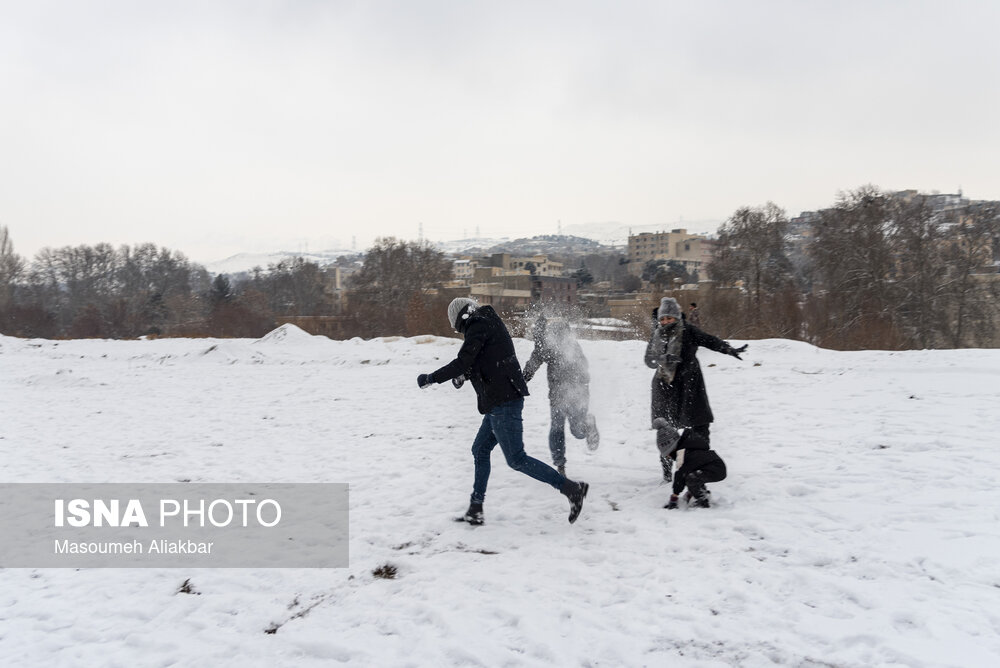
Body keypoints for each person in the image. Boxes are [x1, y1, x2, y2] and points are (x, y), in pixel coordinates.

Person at [416, 298, 589, 525]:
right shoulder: (486, 322)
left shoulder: (478, 325)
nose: (458, 331)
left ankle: (571, 489)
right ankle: (476, 508)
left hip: (503, 401)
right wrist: (465, 375)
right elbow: (484, 359)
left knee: (516, 459)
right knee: (480, 449)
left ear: (460, 318)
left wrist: (431, 378)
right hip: (499, 400)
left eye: (456, 326)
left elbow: (464, 360)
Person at [645, 297, 746, 482]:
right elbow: (648, 360)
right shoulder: (657, 335)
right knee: (666, 431)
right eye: (663, 319)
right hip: (664, 386)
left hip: (690, 385)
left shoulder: (688, 331)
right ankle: (667, 474)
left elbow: (708, 340)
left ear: (676, 317)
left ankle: (701, 466)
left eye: (669, 318)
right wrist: (663, 359)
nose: (665, 322)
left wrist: (728, 349)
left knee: (700, 424)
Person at [522, 315, 599, 477]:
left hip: (577, 394)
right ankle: (560, 465)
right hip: (558, 396)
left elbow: (584, 369)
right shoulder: (546, 346)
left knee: (577, 431)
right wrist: (522, 380)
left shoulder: (569, 346)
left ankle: (588, 424)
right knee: (557, 428)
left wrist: (578, 387)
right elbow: (534, 362)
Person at [659, 426, 727, 509]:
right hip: (715, 467)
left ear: (672, 448)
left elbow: (680, 475)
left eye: (668, 454)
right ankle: (701, 493)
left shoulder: (683, 454)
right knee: (693, 476)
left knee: (691, 478)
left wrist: (674, 496)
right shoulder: (688, 447)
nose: (668, 457)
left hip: (716, 469)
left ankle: (702, 501)